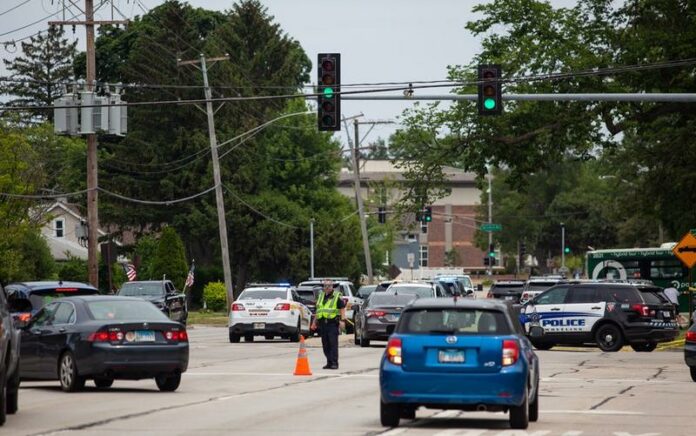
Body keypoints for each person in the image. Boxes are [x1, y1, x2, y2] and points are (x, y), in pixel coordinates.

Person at [311, 279, 346, 369]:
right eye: (325, 286)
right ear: (323, 287)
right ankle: (329, 362)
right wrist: (314, 322)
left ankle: (334, 363)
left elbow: (342, 308)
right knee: (325, 344)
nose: (327, 287)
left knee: (333, 344)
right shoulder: (321, 296)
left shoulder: (337, 296)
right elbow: (318, 310)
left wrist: (342, 320)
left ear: (332, 286)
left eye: (329, 286)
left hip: (332, 324)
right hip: (322, 324)